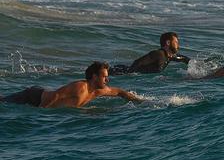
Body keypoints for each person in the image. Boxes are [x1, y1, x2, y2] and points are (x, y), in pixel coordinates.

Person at [2, 62, 141, 109]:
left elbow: (120, 92)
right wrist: (41, 112)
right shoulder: (80, 87)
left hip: (41, 95)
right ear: (94, 77)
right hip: (33, 96)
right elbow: (56, 95)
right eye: (104, 77)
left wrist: (139, 100)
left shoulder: (99, 91)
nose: (107, 80)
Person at [110, 32, 190, 75]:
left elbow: (184, 59)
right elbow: (138, 62)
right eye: (176, 42)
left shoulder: (169, 56)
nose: (178, 45)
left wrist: (198, 66)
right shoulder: (158, 54)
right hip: (119, 72)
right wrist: (130, 75)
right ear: (168, 42)